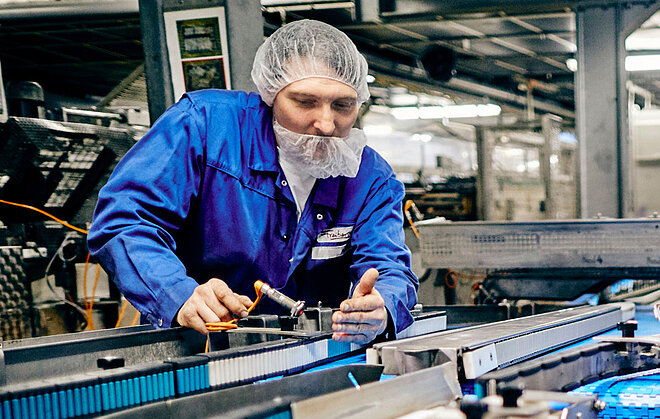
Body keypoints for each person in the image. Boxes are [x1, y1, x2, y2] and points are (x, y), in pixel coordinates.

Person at [88, 20, 416, 343]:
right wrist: (178, 293)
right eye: (305, 102)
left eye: (343, 105)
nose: (326, 123)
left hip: (315, 361)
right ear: (271, 93)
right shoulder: (203, 128)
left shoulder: (370, 177)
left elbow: (389, 268)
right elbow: (126, 221)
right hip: (197, 349)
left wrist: (382, 307)